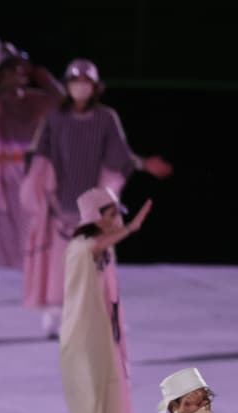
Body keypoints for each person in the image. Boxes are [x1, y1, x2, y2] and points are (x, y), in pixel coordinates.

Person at [21, 58, 172, 337]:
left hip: (92, 206)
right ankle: (54, 315)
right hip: (59, 203)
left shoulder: (105, 118)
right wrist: (39, 186)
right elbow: (40, 155)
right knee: (57, 262)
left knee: (97, 263)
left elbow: (120, 157)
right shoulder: (55, 120)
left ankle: (103, 317)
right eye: (75, 82)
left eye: (85, 82)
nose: (80, 87)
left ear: (95, 87)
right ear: (67, 86)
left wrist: (141, 165)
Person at [60, 187, 149, 413]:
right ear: (94, 217)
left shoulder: (103, 246)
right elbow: (93, 248)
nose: (117, 220)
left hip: (103, 335)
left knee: (109, 395)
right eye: (111, 214)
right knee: (89, 403)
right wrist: (133, 228)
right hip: (83, 337)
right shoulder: (81, 248)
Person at [0, 45, 63, 300]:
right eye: (12, 70)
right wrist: (2, 79)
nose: (18, 74)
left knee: (29, 226)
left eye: (22, 71)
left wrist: (43, 76)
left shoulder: (32, 99)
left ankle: (39, 286)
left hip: (24, 171)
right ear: (0, 74)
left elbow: (61, 101)